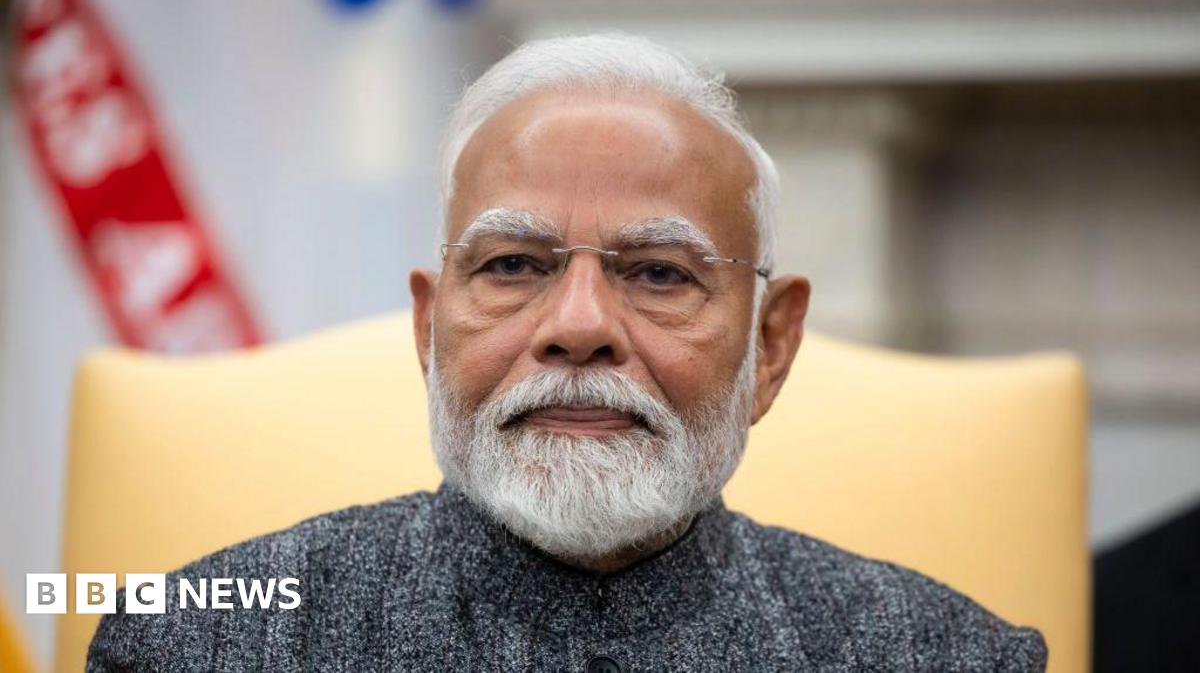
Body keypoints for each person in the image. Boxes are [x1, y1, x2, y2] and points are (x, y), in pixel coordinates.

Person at [87, 33, 1047, 672]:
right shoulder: (200, 643)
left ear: (770, 346)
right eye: (512, 264)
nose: (579, 324)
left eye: (661, 273)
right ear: (428, 330)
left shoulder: (947, 656)